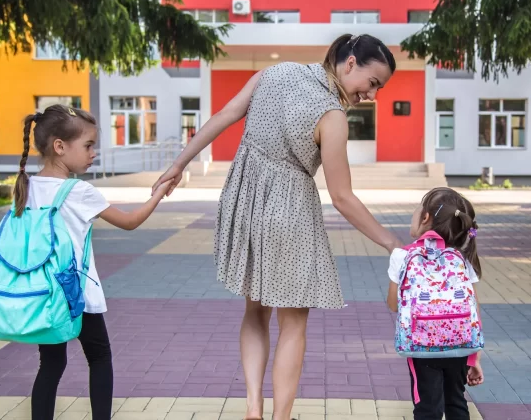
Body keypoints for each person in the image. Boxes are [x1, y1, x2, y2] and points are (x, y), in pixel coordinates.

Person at [152, 34, 402, 420]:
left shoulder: (275, 73)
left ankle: (253, 406)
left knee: (255, 310)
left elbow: (224, 116)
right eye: (372, 83)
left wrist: (177, 165)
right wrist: (391, 243)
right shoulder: (331, 116)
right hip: (291, 214)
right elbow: (343, 197)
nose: (371, 95)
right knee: (293, 322)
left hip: (246, 201)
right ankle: (280, 417)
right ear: (350, 63)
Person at [12, 105, 172, 420]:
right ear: (60, 147)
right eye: (87, 145)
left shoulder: (26, 186)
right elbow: (129, 222)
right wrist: (159, 194)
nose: (93, 153)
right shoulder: (79, 191)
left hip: (43, 292)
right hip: (77, 293)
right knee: (99, 358)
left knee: (51, 364)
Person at [386, 187, 485, 420]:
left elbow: (394, 305)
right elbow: (473, 311)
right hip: (459, 345)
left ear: (425, 218)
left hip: (422, 348)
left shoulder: (402, 255)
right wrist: (474, 357)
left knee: (427, 407)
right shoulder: (461, 256)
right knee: (457, 402)